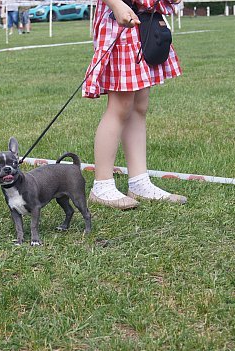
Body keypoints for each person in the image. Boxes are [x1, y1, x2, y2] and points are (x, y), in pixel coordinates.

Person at [82, 0, 186, 210]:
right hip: (119, 24)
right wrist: (116, 5)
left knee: (139, 105)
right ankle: (102, 185)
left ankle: (139, 182)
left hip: (142, 24)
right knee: (120, 106)